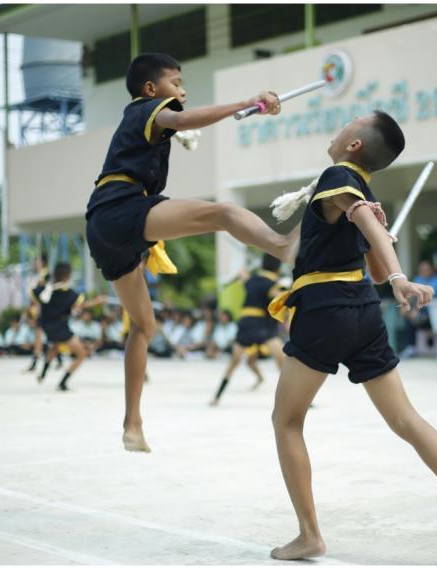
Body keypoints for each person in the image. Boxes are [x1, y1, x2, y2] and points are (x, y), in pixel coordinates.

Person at [266, 111, 437, 560]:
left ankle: (309, 534)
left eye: (346, 121)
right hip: (364, 313)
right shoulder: (360, 190)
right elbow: (370, 256)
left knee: (286, 421)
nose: (338, 125)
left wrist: (398, 277)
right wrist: (384, 257)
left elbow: (367, 231)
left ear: (354, 144)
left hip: (325, 309)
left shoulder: (338, 177)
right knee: (405, 418)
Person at [83, 52, 301, 452]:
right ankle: (283, 245)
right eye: (177, 83)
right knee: (222, 212)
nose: (182, 91)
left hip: (105, 229)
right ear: (151, 89)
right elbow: (181, 119)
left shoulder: (141, 119)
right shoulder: (148, 109)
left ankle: (133, 424)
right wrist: (248, 103)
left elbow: (173, 127)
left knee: (143, 326)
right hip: (121, 207)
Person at [211, 255, 287, 406]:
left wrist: (243, 274)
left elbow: (243, 277)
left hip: (246, 324)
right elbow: (278, 299)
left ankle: (216, 397)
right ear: (278, 269)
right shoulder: (273, 284)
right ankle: (300, 401)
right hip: (263, 326)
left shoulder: (250, 280)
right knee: (282, 361)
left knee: (234, 362)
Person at [33, 263, 107, 391]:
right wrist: (98, 301)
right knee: (81, 354)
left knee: (55, 346)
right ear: (68, 276)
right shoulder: (69, 293)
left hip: (45, 326)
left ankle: (43, 373)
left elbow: (33, 294)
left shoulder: (46, 289)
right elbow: (83, 305)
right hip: (60, 327)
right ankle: (63, 382)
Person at [26, 254, 51, 371]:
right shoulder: (40, 275)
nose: (36, 263)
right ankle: (35, 362)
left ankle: (35, 362)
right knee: (42, 335)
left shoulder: (45, 275)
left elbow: (41, 292)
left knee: (41, 335)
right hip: (41, 309)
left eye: (38, 261)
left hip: (43, 309)